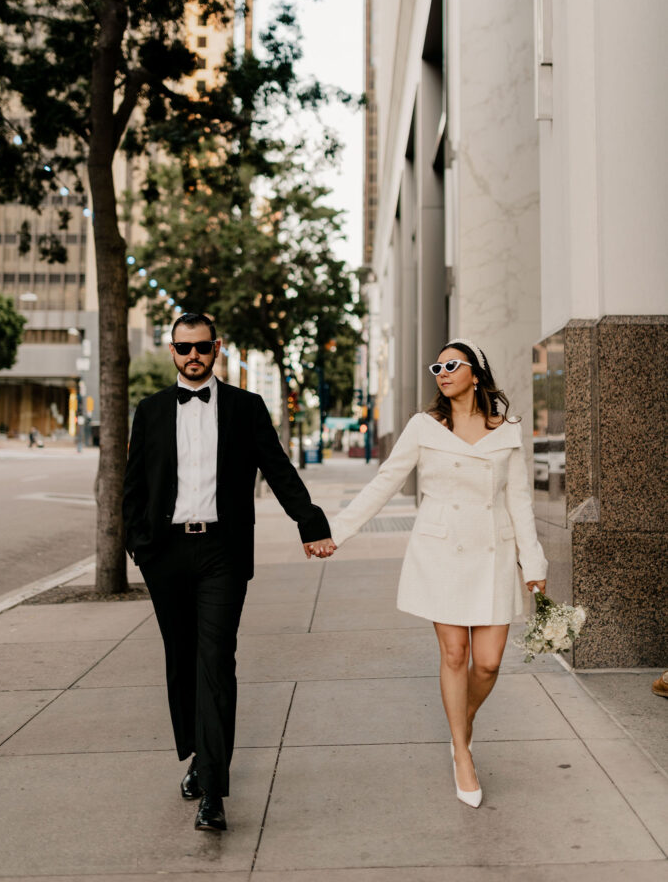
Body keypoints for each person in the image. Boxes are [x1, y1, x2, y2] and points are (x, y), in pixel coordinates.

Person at [123, 313, 335, 832]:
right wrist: (139, 545)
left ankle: (213, 792)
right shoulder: (150, 411)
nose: (192, 356)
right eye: (183, 348)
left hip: (222, 552)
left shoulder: (246, 407)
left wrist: (311, 524)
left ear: (216, 348)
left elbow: (278, 468)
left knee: (216, 660)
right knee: (182, 659)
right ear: (172, 351)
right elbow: (132, 485)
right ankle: (198, 756)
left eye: (201, 347)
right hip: (166, 553)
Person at [329, 339, 547, 809]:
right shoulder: (424, 426)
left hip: (492, 551)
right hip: (441, 551)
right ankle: (462, 753)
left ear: (475, 373)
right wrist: (338, 531)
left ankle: (458, 727)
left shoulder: (506, 430)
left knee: (487, 662)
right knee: (456, 653)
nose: (442, 373)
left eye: (452, 365)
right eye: (437, 366)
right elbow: (386, 480)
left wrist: (534, 562)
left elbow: (519, 501)